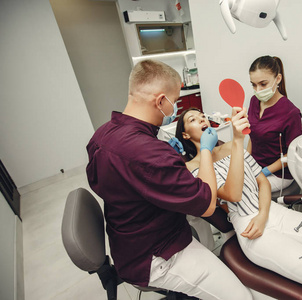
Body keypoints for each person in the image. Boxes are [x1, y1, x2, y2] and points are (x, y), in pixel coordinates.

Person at [86, 59, 252, 300]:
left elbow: (123, 178)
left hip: (126, 241)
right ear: (161, 100)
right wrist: (205, 150)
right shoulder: (150, 153)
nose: (175, 107)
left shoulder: (101, 135)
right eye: (175, 101)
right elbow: (206, 205)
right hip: (157, 254)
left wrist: (169, 160)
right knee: (241, 297)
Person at [176, 107, 302, 295]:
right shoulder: (192, 168)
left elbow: (262, 182)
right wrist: (235, 142)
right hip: (250, 229)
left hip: (272, 212)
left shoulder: (232, 146)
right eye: (193, 119)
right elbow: (233, 194)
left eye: (202, 116)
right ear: (185, 134)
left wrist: (263, 214)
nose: (202, 120)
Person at [247, 55, 302, 192]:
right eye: (254, 85)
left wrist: (265, 171)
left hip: (279, 174)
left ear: (277, 79)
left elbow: (292, 153)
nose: (258, 90)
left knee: (243, 191)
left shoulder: (291, 113)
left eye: (263, 84)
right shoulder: (254, 101)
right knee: (229, 182)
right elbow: (252, 135)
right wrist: (245, 161)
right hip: (255, 167)